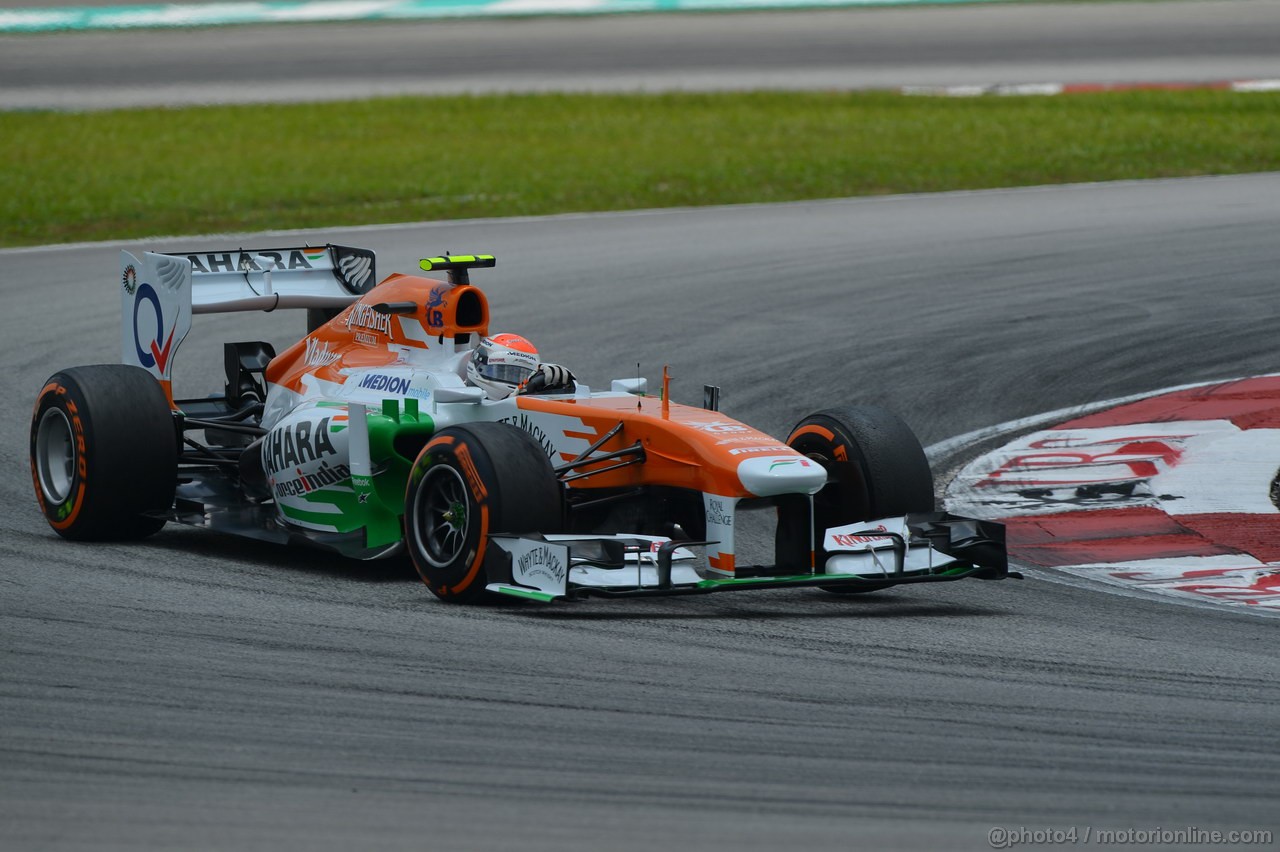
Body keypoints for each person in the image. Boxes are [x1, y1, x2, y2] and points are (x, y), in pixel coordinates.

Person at [465, 333, 575, 400]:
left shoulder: (527, 394)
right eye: (504, 371)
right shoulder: (456, 402)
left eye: (522, 375)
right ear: (479, 366)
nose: (519, 383)